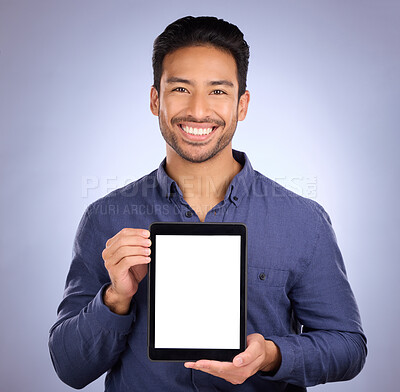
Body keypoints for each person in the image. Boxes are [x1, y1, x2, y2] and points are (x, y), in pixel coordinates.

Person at [49, 16, 367, 391]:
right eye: (180, 89)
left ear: (242, 104)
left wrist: (271, 355)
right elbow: (70, 368)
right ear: (156, 99)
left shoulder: (304, 221)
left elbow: (348, 347)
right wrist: (116, 298)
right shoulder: (105, 218)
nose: (198, 111)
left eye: (218, 91)